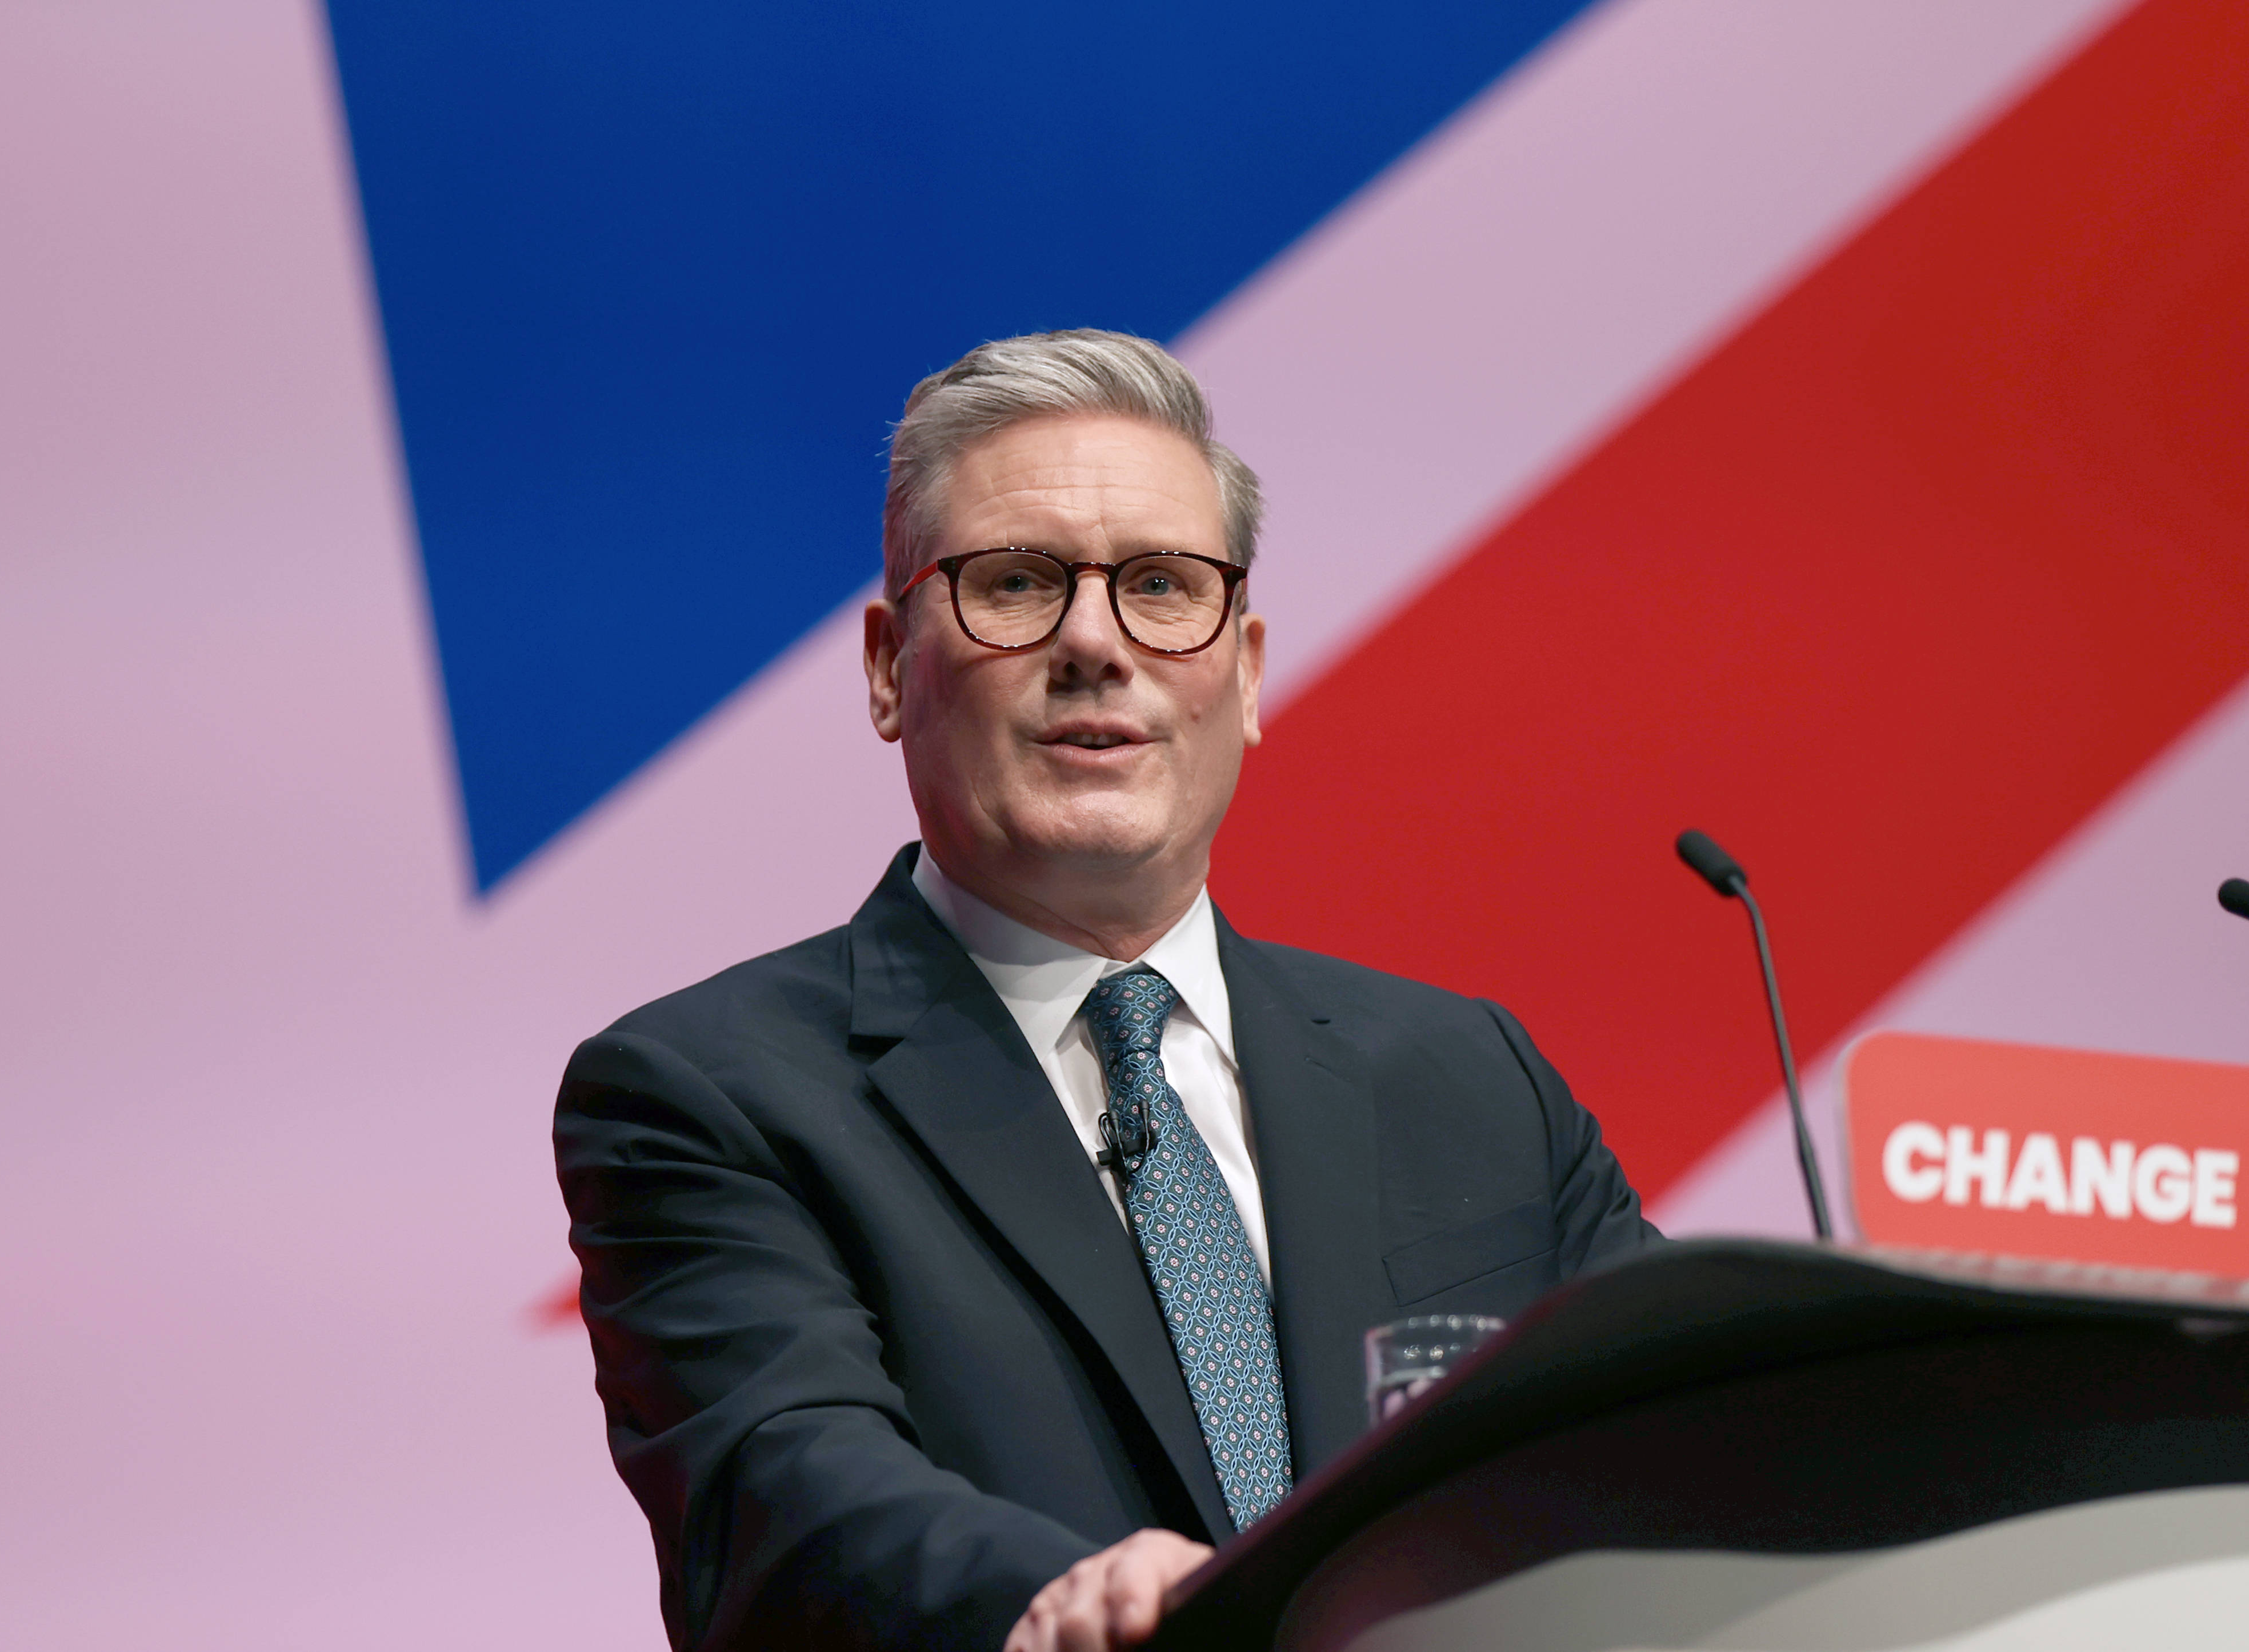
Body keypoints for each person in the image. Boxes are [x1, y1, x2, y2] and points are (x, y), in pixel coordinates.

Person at [555, 330, 1655, 1652]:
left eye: (1160, 585)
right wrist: (1055, 1601)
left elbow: (1679, 1445)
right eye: (1016, 585)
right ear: (885, 666)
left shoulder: (1474, 1078)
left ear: (1245, 672)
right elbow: (790, 1499)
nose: (1094, 641)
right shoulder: (706, 1094)